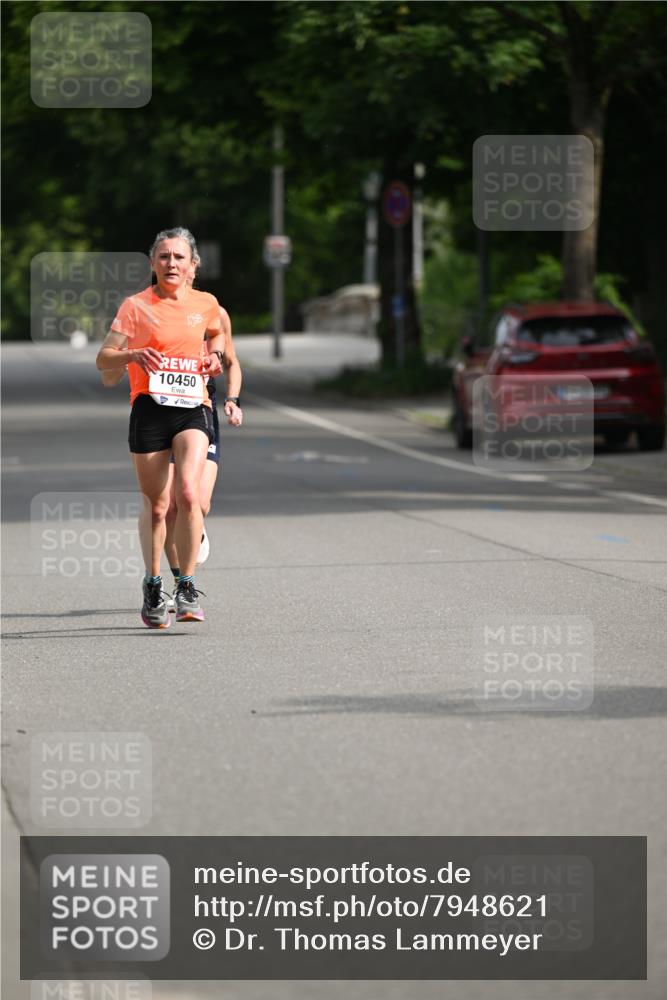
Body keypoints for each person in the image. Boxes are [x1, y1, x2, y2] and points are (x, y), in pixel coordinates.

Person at [95, 227, 232, 628]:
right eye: (164, 257)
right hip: (150, 409)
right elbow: (104, 359)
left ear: (192, 265)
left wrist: (216, 356)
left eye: (178, 257)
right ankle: (154, 583)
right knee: (157, 506)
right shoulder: (135, 306)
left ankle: (186, 585)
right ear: (153, 264)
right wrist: (133, 354)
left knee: (189, 494)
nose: (171, 264)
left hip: (194, 408)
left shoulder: (206, 303)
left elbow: (217, 335)